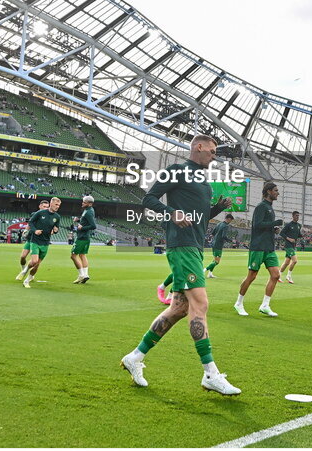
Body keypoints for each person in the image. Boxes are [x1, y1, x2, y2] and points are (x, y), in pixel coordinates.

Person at [121, 134, 239, 395]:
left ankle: (135, 357)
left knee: (178, 309)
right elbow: (149, 199)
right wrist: (171, 213)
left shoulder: (204, 182)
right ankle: (210, 373)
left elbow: (201, 217)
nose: (214, 154)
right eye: (212, 149)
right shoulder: (177, 170)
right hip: (181, 245)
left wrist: (217, 208)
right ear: (199, 146)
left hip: (196, 246)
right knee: (201, 304)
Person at [234, 182, 284, 317]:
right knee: (252, 276)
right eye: (275, 190)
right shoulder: (261, 207)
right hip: (258, 247)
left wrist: (273, 228)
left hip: (269, 247)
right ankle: (238, 303)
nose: (277, 193)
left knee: (276, 275)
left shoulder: (270, 207)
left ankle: (265, 305)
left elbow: (265, 226)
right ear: (268, 191)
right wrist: (274, 223)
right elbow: (257, 225)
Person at [21, 197, 62, 288]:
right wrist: (35, 230)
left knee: (36, 265)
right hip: (35, 240)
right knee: (34, 261)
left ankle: (27, 280)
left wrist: (55, 230)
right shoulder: (40, 213)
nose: (57, 206)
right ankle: (24, 271)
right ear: (51, 204)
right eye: (56, 204)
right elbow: (31, 222)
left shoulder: (57, 217)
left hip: (46, 242)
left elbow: (56, 229)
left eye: (59, 205)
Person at [16, 200, 49, 279]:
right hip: (30, 238)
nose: (45, 208)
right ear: (40, 206)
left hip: (39, 240)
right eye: (44, 207)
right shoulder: (34, 214)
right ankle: (24, 269)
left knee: (35, 262)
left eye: (47, 207)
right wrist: (26, 230)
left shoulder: (49, 216)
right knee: (23, 256)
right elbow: (30, 223)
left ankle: (30, 276)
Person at [71, 195, 96, 284]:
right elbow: (86, 221)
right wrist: (79, 220)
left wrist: (82, 228)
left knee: (73, 256)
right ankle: (86, 275)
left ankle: (82, 275)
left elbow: (93, 226)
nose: (82, 203)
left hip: (82, 237)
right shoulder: (88, 210)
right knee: (82, 255)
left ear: (89, 204)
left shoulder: (89, 212)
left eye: (84, 202)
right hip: (85, 237)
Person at [204, 214, 233, 278]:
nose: (230, 222)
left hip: (214, 244)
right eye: (230, 220)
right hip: (218, 245)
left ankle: (210, 274)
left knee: (214, 260)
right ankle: (204, 270)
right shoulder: (225, 226)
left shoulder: (219, 224)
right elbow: (224, 236)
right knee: (217, 261)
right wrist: (230, 240)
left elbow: (213, 233)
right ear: (228, 219)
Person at [277, 211, 302, 283]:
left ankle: (278, 276)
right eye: (296, 215)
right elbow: (281, 233)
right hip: (288, 245)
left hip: (293, 245)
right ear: (293, 216)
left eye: (298, 216)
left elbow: (299, 235)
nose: (298, 217)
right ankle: (288, 276)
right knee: (295, 261)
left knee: (286, 262)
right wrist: (289, 239)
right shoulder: (289, 225)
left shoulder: (298, 226)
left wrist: (305, 234)